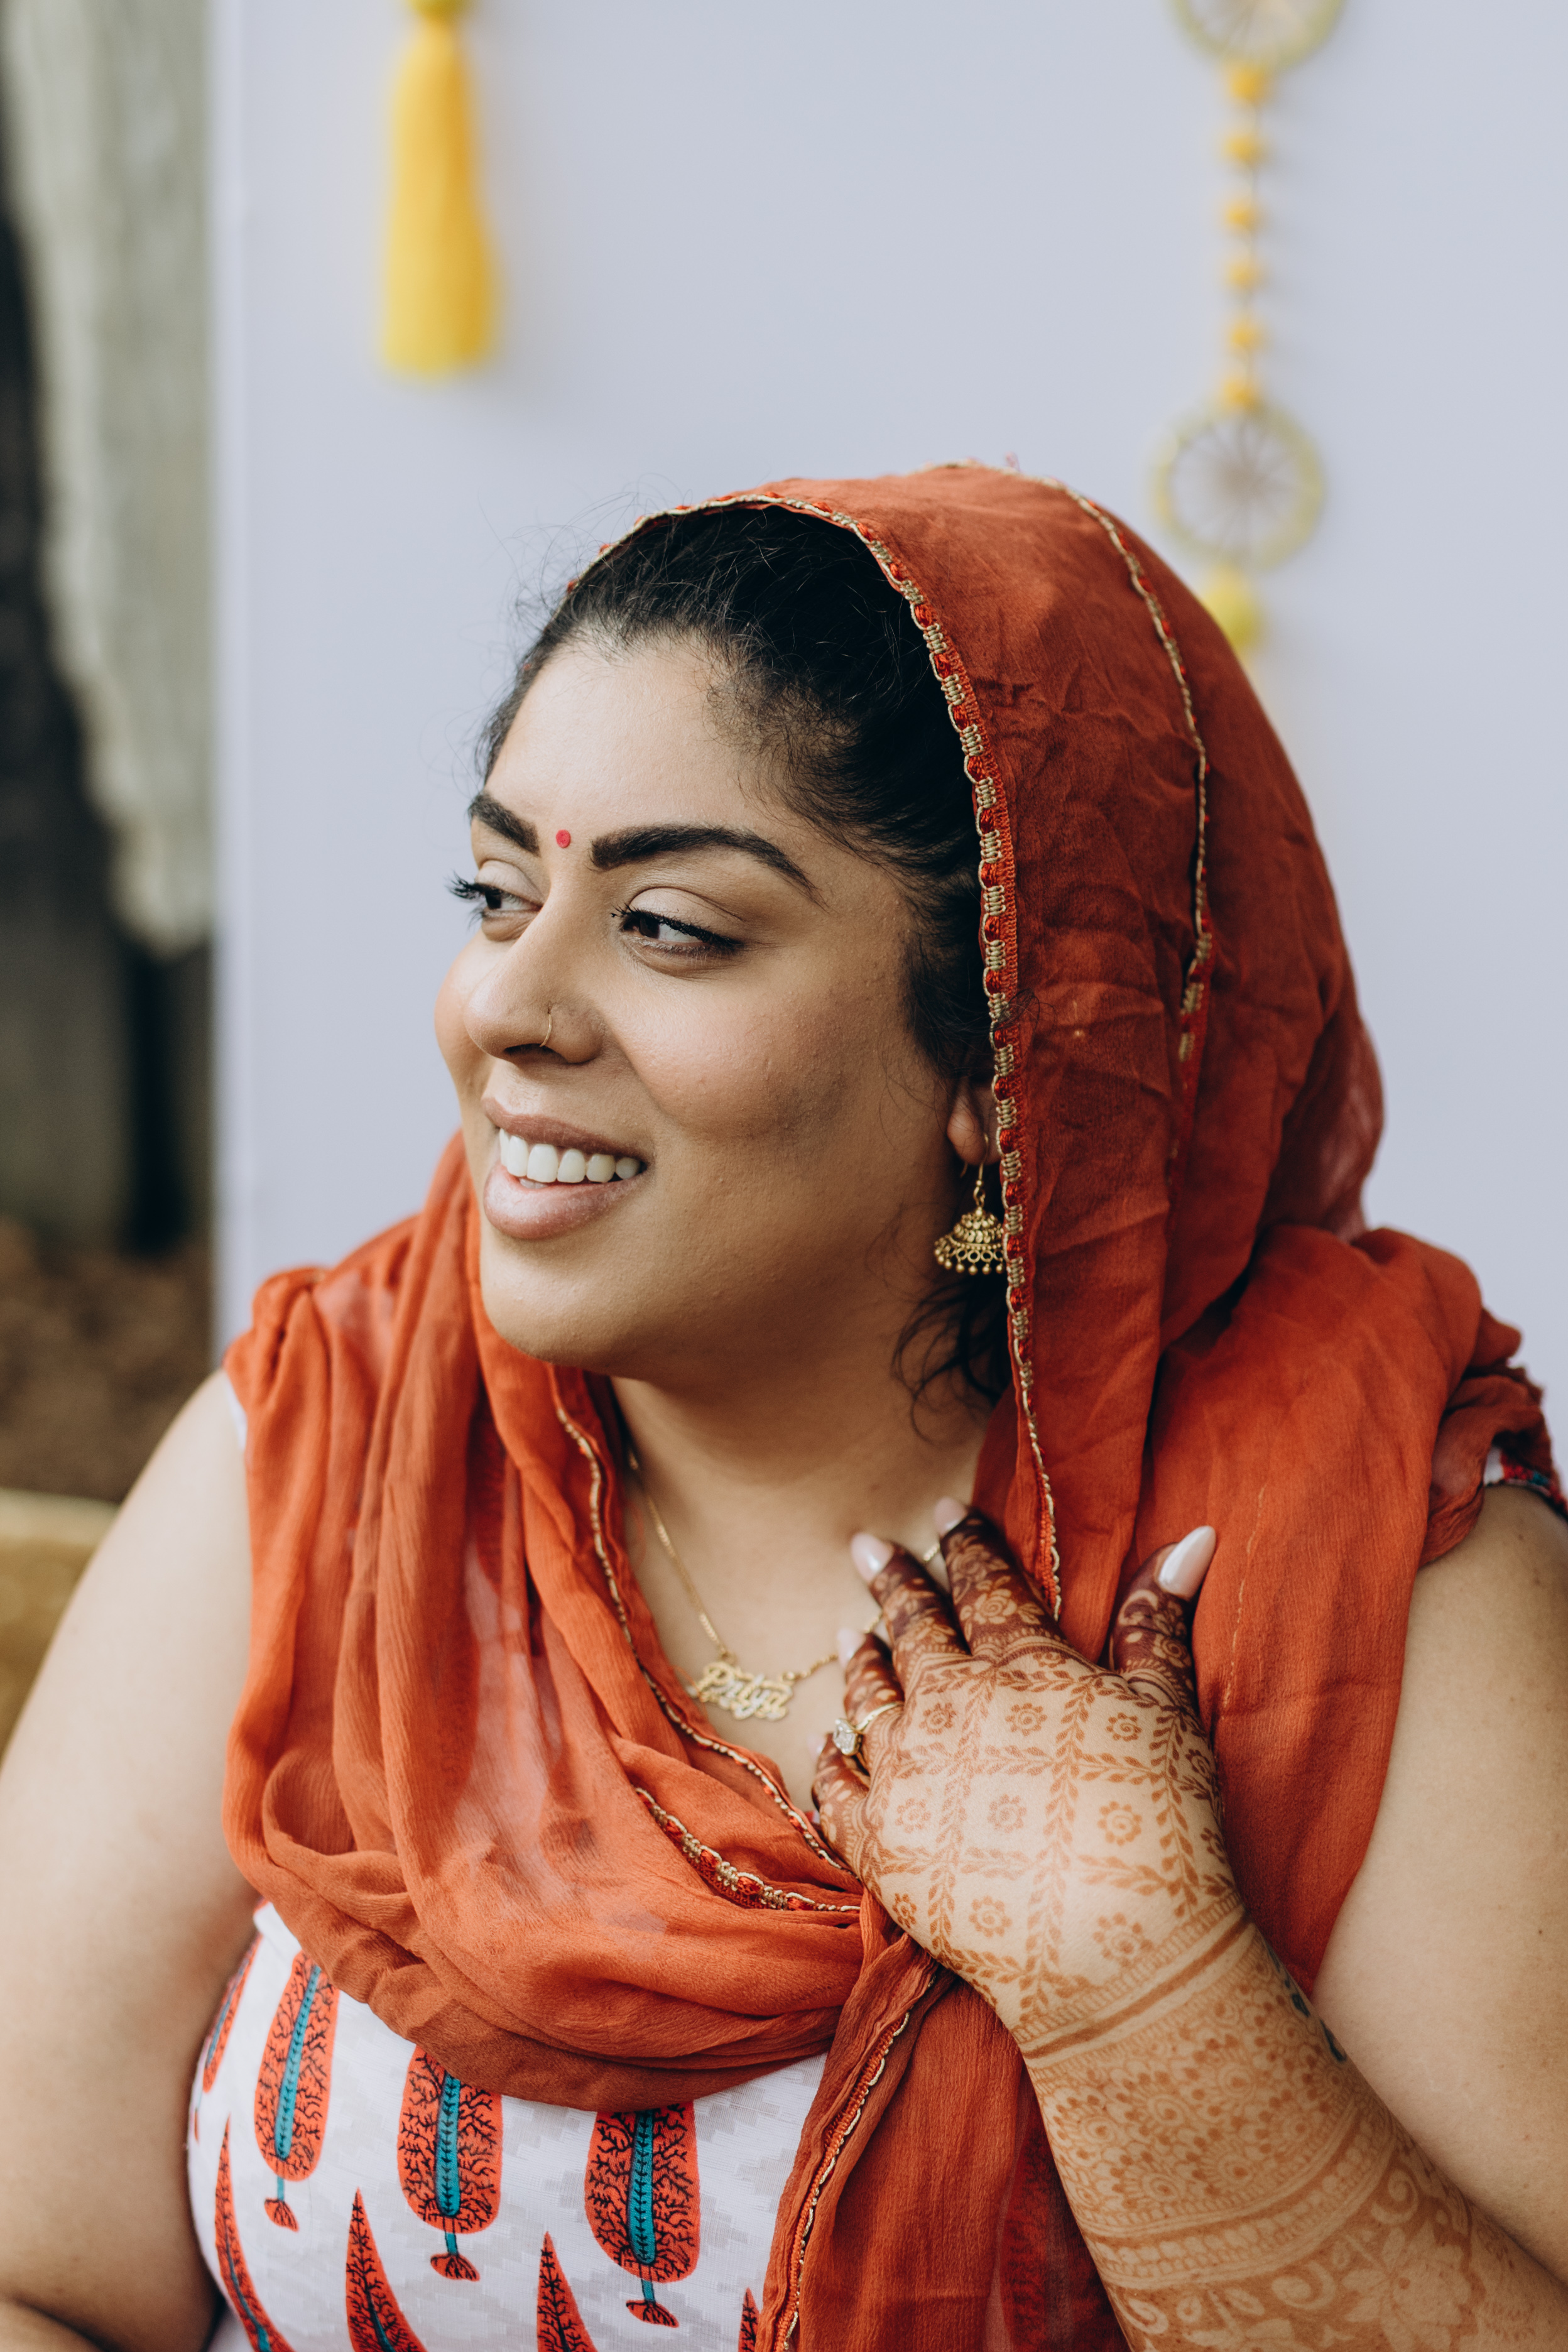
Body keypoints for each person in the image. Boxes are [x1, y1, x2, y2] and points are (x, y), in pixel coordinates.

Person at [1, 468, 1565, 2352]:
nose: (508, 1004)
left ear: (1005, 1050)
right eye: (497, 894)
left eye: (669, 926)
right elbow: (31, 2273)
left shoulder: (1369, 1553)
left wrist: (1139, 1988)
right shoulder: (338, 1432)